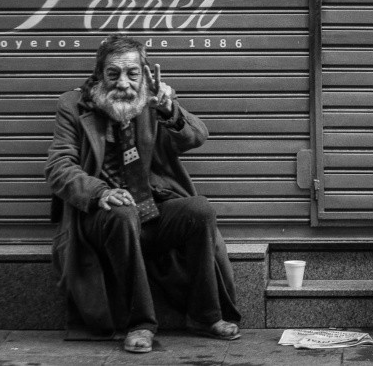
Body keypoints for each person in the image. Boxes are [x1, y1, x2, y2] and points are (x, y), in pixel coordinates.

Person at [45, 33, 241, 354]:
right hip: (103, 220)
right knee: (123, 214)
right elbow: (58, 166)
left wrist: (169, 111)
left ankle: (206, 316)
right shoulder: (72, 105)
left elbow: (197, 136)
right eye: (113, 73)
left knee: (200, 210)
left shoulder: (151, 100)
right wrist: (99, 192)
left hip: (150, 211)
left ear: (145, 75)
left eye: (132, 73)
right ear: (99, 76)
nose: (123, 83)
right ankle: (140, 324)